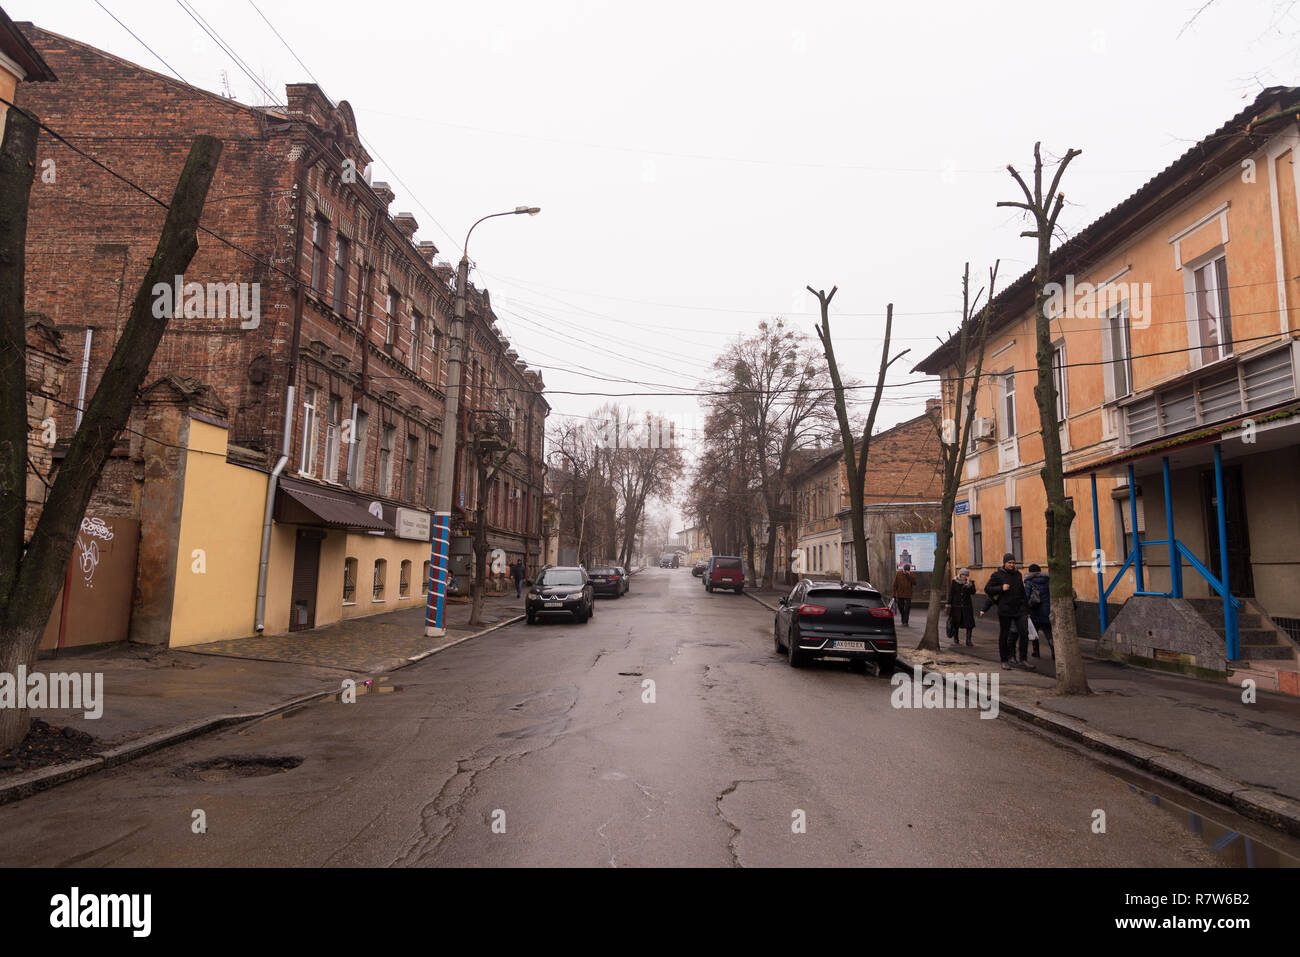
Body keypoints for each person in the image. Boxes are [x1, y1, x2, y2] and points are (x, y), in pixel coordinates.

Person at [979, 553, 1031, 669]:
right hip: (1005, 609)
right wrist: (1001, 588)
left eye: (1013, 562)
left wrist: (1027, 609)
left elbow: (1022, 593)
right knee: (1005, 634)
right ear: (1005, 563)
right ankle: (1004, 660)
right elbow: (987, 589)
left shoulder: (1018, 575)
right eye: (1009, 563)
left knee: (1024, 633)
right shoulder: (997, 575)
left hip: (1019, 609)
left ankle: (1023, 659)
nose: (1012, 565)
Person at [1026, 563, 1053, 658]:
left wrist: (1026, 610)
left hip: (1034, 611)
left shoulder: (1029, 582)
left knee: (1033, 632)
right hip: (1047, 611)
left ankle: (1036, 652)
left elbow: (1026, 597)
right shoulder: (1048, 580)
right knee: (1049, 632)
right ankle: (1054, 652)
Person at [947, 567, 977, 648]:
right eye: (963, 574)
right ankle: (956, 639)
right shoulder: (955, 582)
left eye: (966, 575)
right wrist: (949, 603)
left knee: (969, 624)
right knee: (956, 623)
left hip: (967, 606)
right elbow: (951, 593)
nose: (964, 576)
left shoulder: (970, 583)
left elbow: (973, 592)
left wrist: (969, 584)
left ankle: (968, 640)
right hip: (956, 606)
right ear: (960, 574)